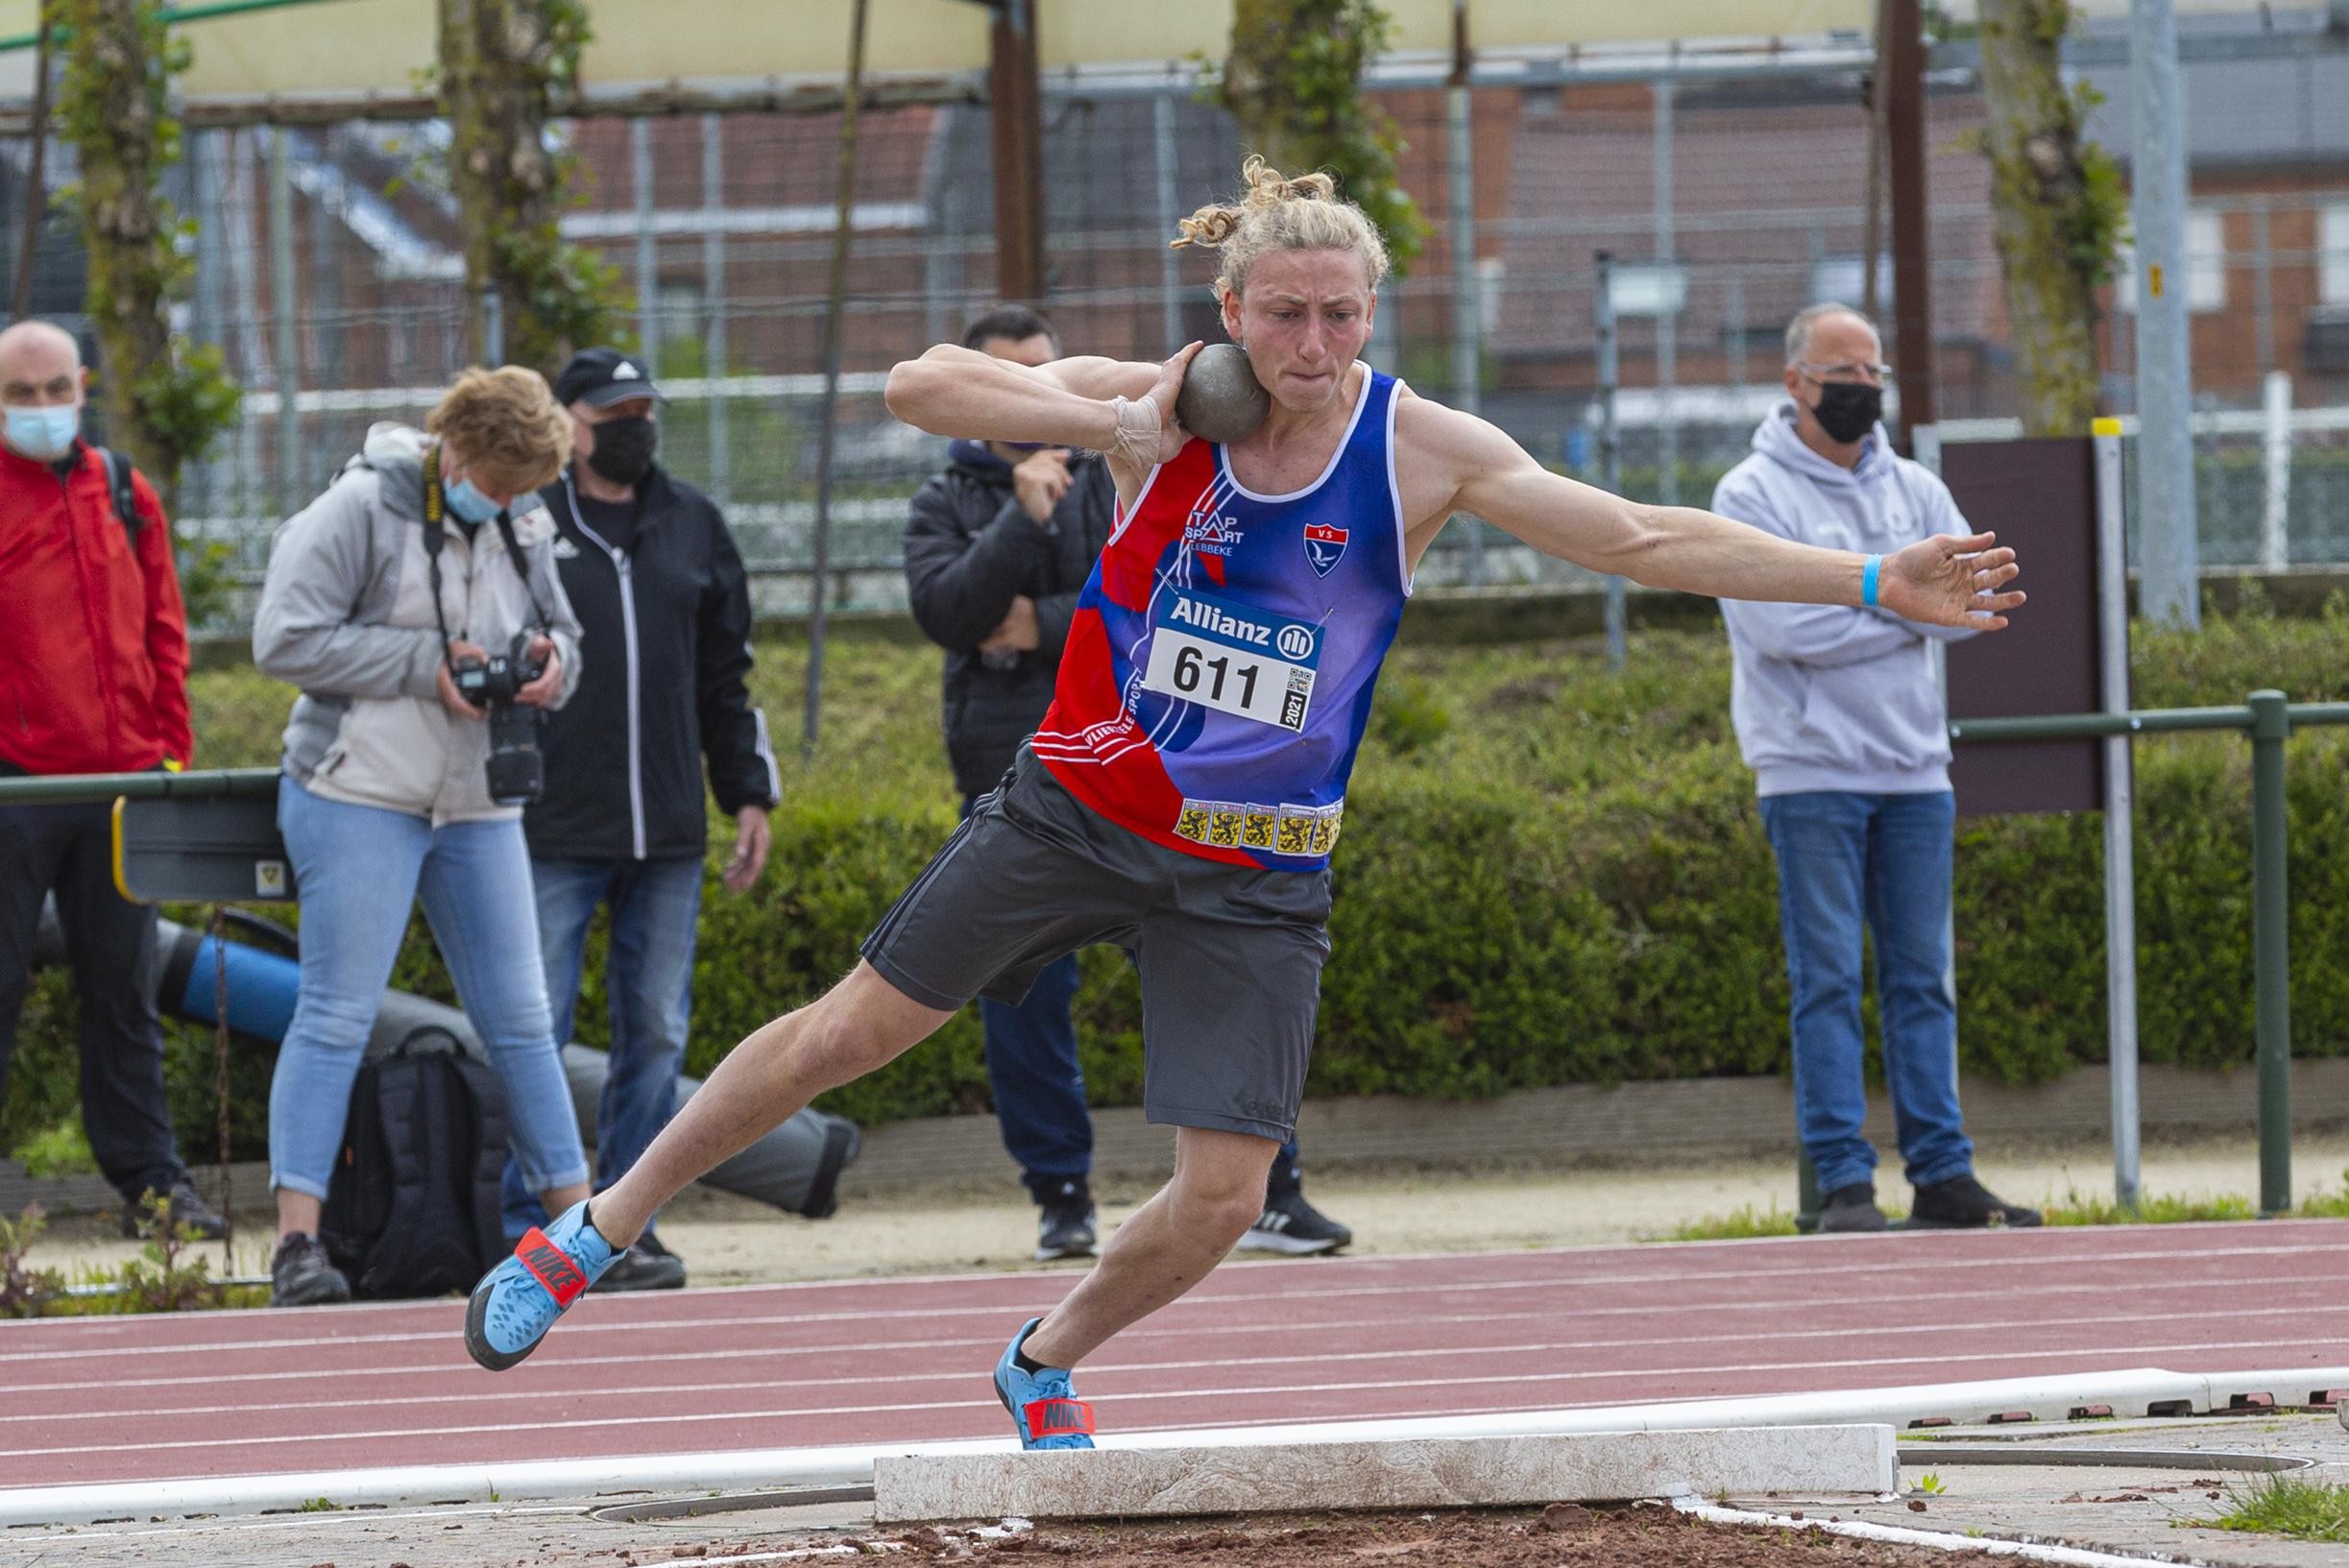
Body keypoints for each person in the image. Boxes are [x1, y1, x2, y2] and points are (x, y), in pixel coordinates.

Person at [463, 158, 2022, 1446]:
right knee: (853, 1026)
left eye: (1342, 312)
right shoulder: (1161, 398)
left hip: (1259, 866)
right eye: (1286, 312)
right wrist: (1111, 426)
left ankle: (1044, 1354)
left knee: (1222, 1195)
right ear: (1231, 309)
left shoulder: (1419, 448)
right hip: (1078, 803)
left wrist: (1874, 575)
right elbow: (913, 380)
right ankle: (592, 1225)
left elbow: (1644, 536)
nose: (1315, 340)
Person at [904, 303, 1352, 1262]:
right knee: (1022, 1002)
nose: (1031, 390)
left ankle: (1271, 1186)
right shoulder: (954, 496)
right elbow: (950, 610)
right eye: (1011, 377)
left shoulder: (1132, 458)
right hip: (1019, 779)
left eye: (1042, 369)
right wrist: (1021, 525)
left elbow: (1153, 598)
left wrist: (1047, 617)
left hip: (1159, 781)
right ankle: (1060, 1192)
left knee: (1221, 983)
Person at [252, 366, 597, 1306]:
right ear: (454, 449)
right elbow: (281, 636)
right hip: (357, 788)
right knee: (336, 1012)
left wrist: (545, 667)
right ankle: (297, 1247)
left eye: (525, 488)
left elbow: (565, 634)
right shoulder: (360, 509)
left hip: (479, 799)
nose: (509, 500)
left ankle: (585, 1233)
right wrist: (420, 665)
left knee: (524, 1023)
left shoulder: (522, 516)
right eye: (495, 482)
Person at [1712, 302, 2042, 1236]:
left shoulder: (1917, 492)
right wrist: (1899, 602)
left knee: (1923, 979)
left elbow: (1964, 605)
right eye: (1839, 373)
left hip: (1913, 768)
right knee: (1824, 979)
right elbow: (1778, 626)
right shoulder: (1748, 496)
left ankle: (1942, 1174)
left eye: (1872, 374)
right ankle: (1845, 1186)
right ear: (1794, 383)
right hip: (1806, 768)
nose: (1860, 389)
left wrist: (1872, 608)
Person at [500, 347, 781, 1292]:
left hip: (665, 832)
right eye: (614, 409)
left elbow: (726, 674)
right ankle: (526, 1219)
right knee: (532, 1023)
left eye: (644, 407)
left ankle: (622, 1225)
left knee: (654, 1031)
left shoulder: (693, 522)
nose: (635, 423)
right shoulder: (529, 521)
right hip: (548, 827)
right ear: (570, 422)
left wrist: (747, 790)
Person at [0, 320, 226, 1242]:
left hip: (127, 789)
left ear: (84, 385)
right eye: (24, 394)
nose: (46, 408)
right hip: (14, 792)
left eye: (58, 389)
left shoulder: (127, 491)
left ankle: (152, 1188)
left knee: (124, 994)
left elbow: (164, 629)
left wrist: (169, 753)